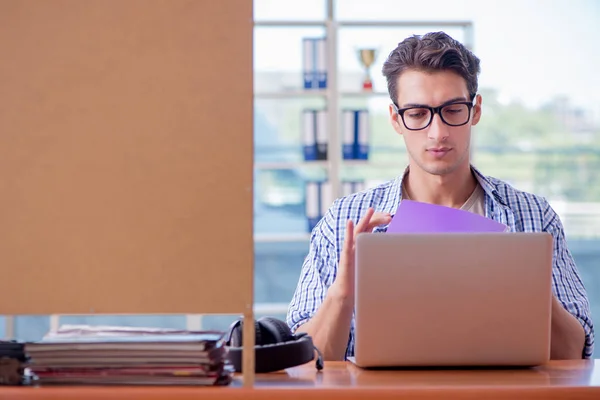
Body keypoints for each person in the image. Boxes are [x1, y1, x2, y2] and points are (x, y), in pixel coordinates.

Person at [286, 31, 595, 361]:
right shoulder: (344, 220)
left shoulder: (532, 216)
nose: (438, 132)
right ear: (396, 119)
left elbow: (573, 355)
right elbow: (306, 363)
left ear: (475, 111)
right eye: (418, 114)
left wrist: (529, 286)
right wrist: (342, 295)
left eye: (453, 110)